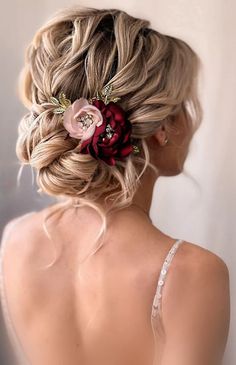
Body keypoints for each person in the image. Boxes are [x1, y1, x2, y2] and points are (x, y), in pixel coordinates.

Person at [0, 6, 230, 365]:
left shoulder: (15, 240)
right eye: (184, 105)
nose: (191, 120)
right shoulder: (193, 272)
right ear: (162, 128)